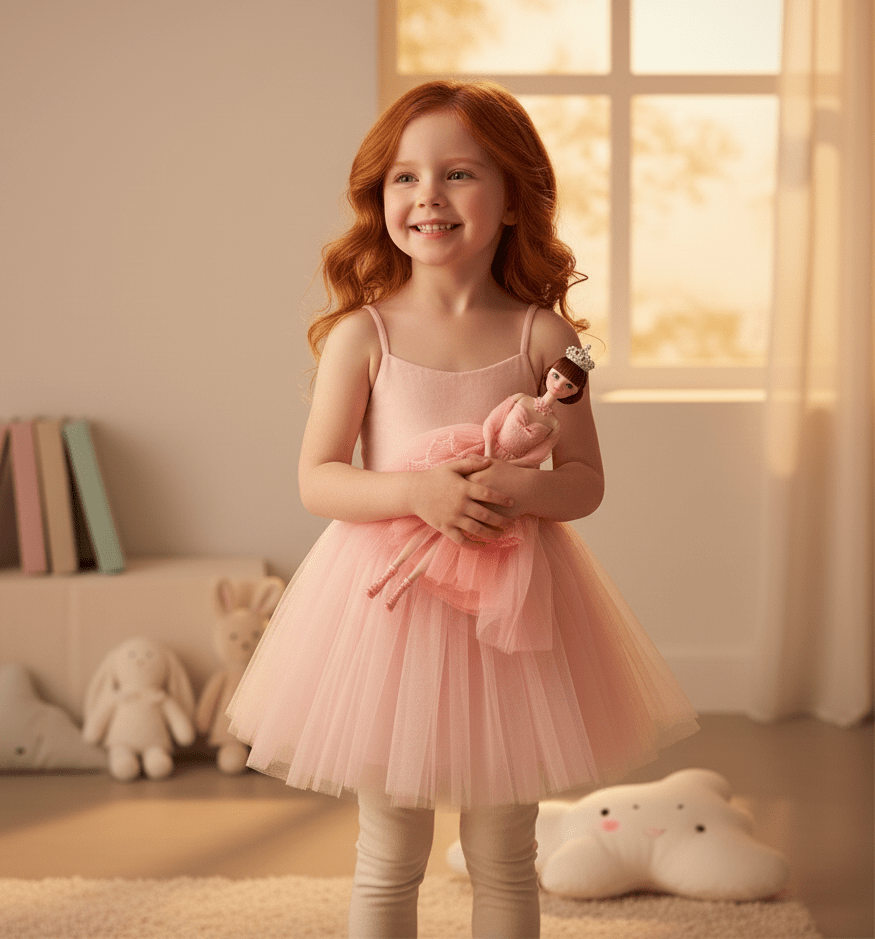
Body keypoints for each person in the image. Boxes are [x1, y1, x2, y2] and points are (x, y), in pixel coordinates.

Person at [227, 80, 698, 939]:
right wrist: (418, 492)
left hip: (513, 618)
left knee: (505, 854)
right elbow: (319, 480)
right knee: (389, 852)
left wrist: (519, 488)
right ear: (380, 199)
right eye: (404, 178)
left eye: (458, 174)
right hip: (389, 618)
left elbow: (584, 481)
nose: (429, 197)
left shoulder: (545, 338)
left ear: (513, 197)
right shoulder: (363, 335)